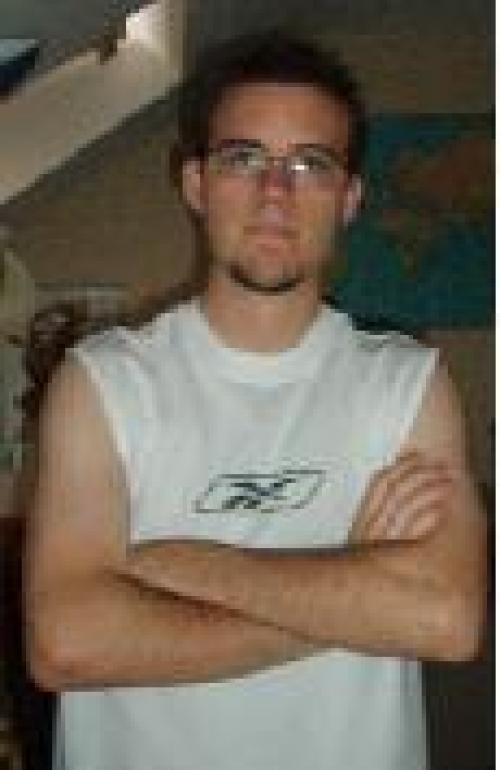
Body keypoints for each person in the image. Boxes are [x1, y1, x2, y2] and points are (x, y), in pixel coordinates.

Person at [24, 32, 485, 770]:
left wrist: (189, 566)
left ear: (350, 199)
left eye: (311, 164)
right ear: (196, 183)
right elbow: (68, 645)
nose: (276, 192)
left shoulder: (406, 382)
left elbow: (446, 620)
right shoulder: (103, 382)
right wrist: (352, 587)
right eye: (245, 158)